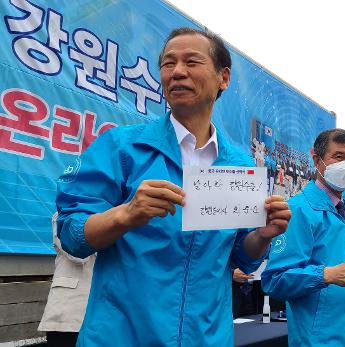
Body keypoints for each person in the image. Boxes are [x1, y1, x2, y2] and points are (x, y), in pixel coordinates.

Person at [55, 27, 292, 346]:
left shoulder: (242, 167)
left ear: (223, 78)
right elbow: (72, 234)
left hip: (207, 338)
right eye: (168, 64)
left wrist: (262, 235)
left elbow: (241, 258)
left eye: (192, 62)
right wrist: (126, 214)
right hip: (122, 336)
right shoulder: (121, 148)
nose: (178, 71)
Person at [262, 129, 345, 346]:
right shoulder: (298, 210)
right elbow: (275, 280)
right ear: (317, 160)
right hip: (319, 339)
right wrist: (327, 275)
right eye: (338, 157)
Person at [38, 213, 95, 347]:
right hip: (67, 312)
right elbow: (78, 255)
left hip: (96, 313)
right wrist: (100, 230)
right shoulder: (63, 215)